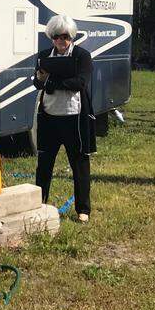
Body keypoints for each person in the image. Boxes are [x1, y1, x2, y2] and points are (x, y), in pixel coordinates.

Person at [32, 13, 96, 222]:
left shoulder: (81, 55)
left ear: (72, 37)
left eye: (66, 36)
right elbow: (38, 82)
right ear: (52, 37)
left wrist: (53, 83)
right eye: (57, 36)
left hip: (74, 117)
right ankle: (39, 204)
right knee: (44, 163)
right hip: (49, 116)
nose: (62, 40)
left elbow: (80, 82)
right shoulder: (43, 55)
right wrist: (48, 82)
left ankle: (83, 209)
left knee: (79, 163)